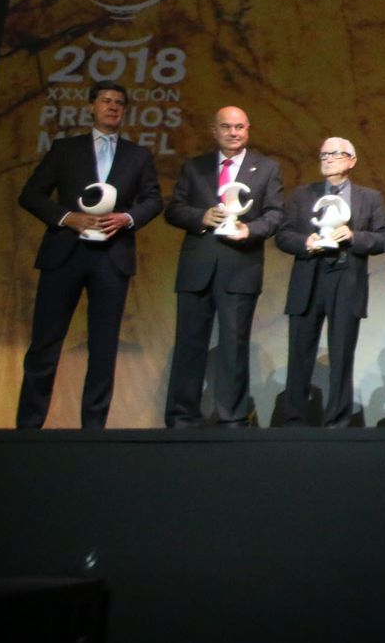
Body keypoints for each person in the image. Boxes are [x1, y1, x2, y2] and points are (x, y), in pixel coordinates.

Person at [15, 83, 162, 428]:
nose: (113, 107)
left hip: (111, 258)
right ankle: (27, 428)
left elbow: (154, 200)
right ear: (91, 107)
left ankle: (93, 431)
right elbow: (31, 194)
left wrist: (126, 218)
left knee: (103, 348)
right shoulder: (65, 149)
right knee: (45, 344)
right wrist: (68, 218)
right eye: (106, 101)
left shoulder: (138, 155)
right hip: (65, 253)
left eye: (119, 104)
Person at [163, 106, 285, 427]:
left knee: (234, 343)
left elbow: (274, 214)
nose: (233, 133)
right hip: (197, 268)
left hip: (240, 267)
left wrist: (250, 230)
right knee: (189, 344)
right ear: (214, 131)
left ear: (248, 130)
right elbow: (174, 209)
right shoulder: (195, 167)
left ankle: (231, 417)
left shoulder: (267, 168)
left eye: (240, 127)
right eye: (226, 127)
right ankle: (181, 415)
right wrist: (200, 217)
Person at [274, 137, 385, 427]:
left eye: (336, 154)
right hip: (309, 278)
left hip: (346, 279)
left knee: (341, 352)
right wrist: (306, 242)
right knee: (299, 351)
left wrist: (354, 237)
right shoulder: (303, 194)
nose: (328, 159)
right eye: (323, 154)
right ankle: (294, 419)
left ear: (352, 160)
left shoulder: (369, 197)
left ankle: (337, 420)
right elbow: (283, 235)